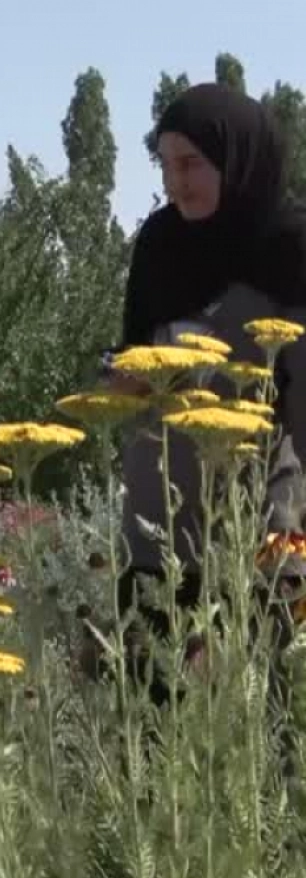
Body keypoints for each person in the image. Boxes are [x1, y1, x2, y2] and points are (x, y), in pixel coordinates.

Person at [107, 82, 306, 706]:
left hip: (259, 522)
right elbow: (130, 358)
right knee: (150, 716)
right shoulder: (161, 247)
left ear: (237, 158)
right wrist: (124, 379)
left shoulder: (291, 247)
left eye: (192, 163)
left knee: (261, 720)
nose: (176, 182)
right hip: (157, 521)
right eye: (165, 165)